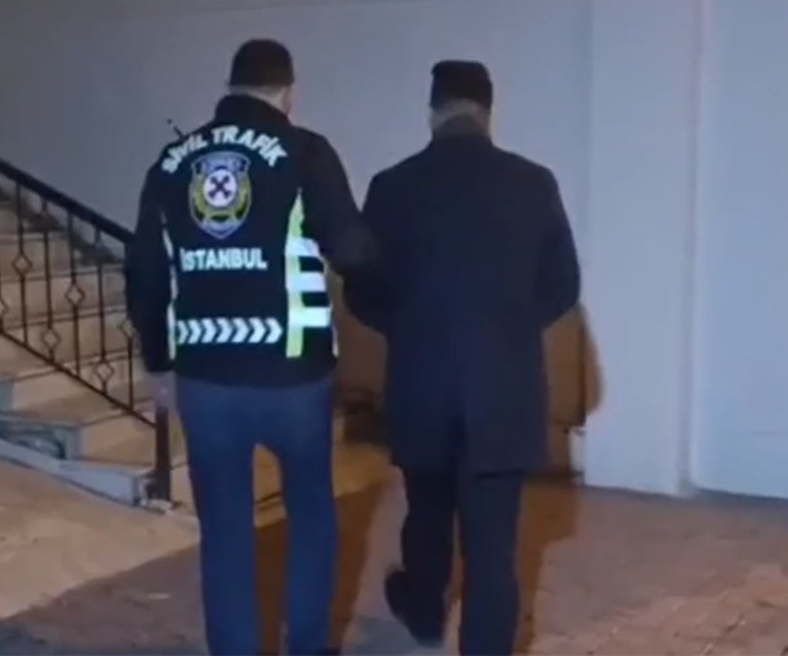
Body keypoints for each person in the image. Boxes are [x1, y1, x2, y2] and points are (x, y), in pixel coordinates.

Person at [124, 39, 380, 655]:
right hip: (294, 374)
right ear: (287, 92)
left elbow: (145, 274)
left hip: (206, 376)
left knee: (225, 532)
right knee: (311, 515)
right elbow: (352, 250)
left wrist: (158, 362)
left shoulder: (173, 161)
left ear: (230, 87)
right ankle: (307, 646)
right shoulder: (304, 151)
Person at [344, 60, 581, 655]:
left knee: (426, 510)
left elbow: (362, 291)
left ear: (433, 113)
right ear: (488, 112)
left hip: (421, 385)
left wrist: (409, 329)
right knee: (493, 547)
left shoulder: (392, 186)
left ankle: (424, 611)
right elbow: (563, 285)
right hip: (503, 391)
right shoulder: (533, 183)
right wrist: (507, 330)